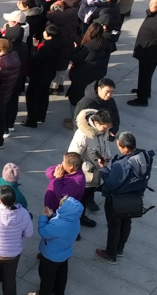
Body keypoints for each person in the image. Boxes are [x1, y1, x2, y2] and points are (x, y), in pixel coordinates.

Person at [96, 131, 154, 264]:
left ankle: (111, 254)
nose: (118, 148)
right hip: (133, 199)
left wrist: (103, 168)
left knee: (114, 226)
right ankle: (119, 249)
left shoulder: (121, 165)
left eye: (119, 146)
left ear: (126, 148)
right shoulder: (145, 156)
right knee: (126, 223)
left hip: (117, 201)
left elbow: (111, 184)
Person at [68, 109, 112, 229]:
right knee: (79, 200)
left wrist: (108, 158)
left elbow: (105, 146)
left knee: (86, 197)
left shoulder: (103, 131)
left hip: (97, 174)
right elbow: (73, 156)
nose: (107, 130)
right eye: (105, 127)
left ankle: (80, 217)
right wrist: (88, 167)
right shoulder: (82, 135)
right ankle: (74, 223)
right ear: (96, 123)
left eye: (109, 127)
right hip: (85, 176)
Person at [36, 196, 82, 295]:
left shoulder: (58, 224)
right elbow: (62, 223)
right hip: (64, 254)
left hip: (51, 256)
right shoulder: (75, 220)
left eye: (60, 206)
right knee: (61, 277)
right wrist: (52, 215)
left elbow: (43, 232)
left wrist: (44, 217)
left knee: (47, 279)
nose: (58, 207)